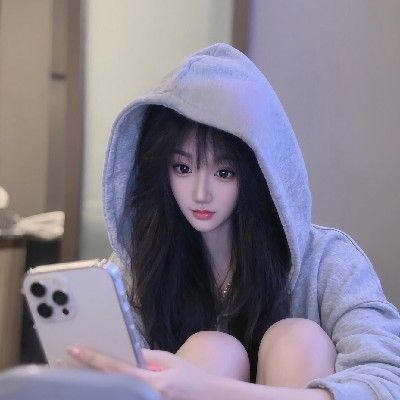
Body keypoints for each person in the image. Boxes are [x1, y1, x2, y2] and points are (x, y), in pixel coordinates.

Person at [68, 43, 400, 399]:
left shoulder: (328, 261)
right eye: (182, 168)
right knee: (212, 349)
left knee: (298, 339)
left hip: (295, 368)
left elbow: (387, 381)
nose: (200, 193)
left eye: (223, 172)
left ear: (261, 173)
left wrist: (209, 389)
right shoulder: (141, 265)